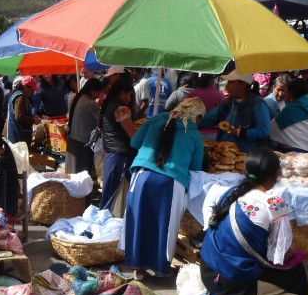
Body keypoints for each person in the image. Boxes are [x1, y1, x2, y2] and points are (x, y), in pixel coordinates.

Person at [200, 147, 308, 295]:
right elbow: (278, 255)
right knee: (296, 273)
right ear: (277, 174)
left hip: (209, 271)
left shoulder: (229, 194)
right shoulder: (274, 203)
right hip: (234, 283)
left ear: (245, 171)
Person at [122, 97, 205, 277]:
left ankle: (137, 267)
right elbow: (195, 168)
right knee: (164, 226)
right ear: (196, 116)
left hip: (142, 176)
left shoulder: (157, 119)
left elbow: (135, 142)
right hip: (171, 183)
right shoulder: (195, 135)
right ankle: (160, 268)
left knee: (139, 220)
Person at [200, 70, 271, 152]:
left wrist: (240, 132)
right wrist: (194, 120)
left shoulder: (257, 104)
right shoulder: (227, 102)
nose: (227, 86)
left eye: (231, 82)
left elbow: (263, 130)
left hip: (245, 154)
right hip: (223, 151)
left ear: (243, 84)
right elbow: (210, 118)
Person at [99, 77, 139, 212]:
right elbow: (133, 136)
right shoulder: (121, 110)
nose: (130, 98)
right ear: (122, 93)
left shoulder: (108, 105)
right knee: (113, 195)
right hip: (121, 156)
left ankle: (104, 218)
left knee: (108, 194)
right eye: (129, 94)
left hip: (111, 154)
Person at [270, 78, 308, 153]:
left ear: (291, 93)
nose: (284, 94)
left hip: (291, 153)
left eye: (286, 91)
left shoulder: (290, 109)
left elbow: (271, 129)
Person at [66, 78, 104, 176]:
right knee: (82, 175)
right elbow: (103, 121)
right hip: (82, 143)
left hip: (72, 140)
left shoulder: (76, 98)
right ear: (92, 91)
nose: (99, 95)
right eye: (98, 92)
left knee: (72, 174)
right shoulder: (91, 104)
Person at [6, 76, 40, 145]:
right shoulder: (20, 97)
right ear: (26, 87)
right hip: (18, 136)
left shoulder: (19, 95)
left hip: (17, 134)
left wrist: (32, 116)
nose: (32, 92)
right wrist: (34, 120)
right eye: (32, 89)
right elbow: (19, 117)